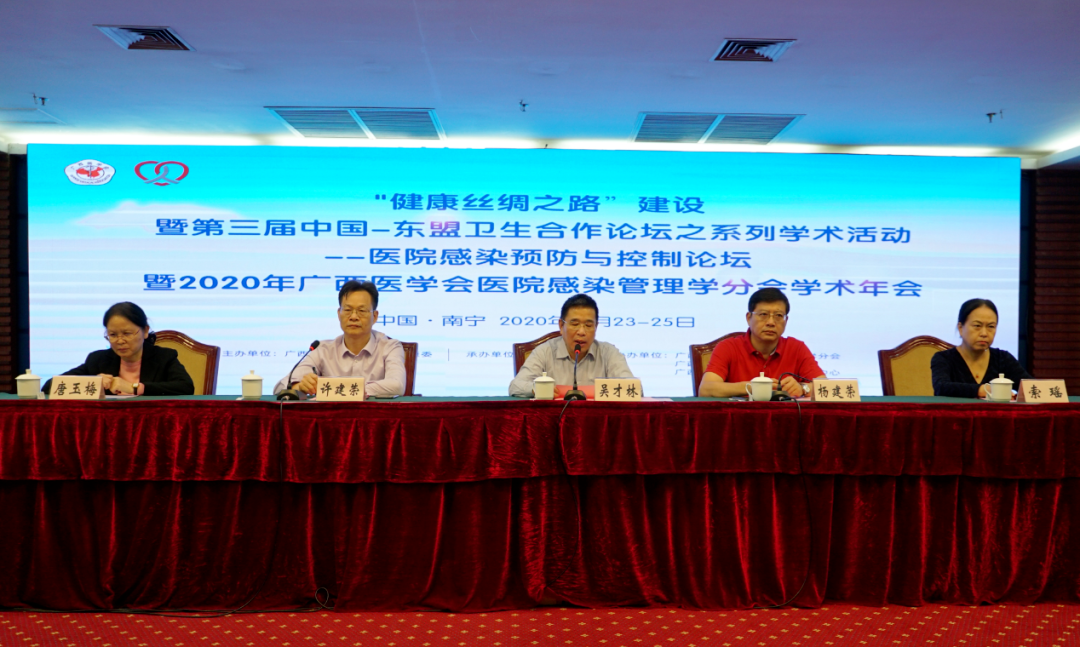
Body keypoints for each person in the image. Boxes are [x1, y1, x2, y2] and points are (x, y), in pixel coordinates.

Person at [274, 280, 406, 397]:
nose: (353, 317)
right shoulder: (322, 350)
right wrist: (300, 387)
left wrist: (334, 389)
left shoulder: (390, 347)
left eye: (361, 310)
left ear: (375, 316)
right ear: (339, 314)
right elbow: (281, 387)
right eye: (347, 310)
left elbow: (397, 385)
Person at [44, 302, 194, 396]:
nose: (120, 341)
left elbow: (186, 387)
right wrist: (92, 383)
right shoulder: (98, 360)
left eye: (127, 333)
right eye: (113, 335)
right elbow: (50, 386)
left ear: (145, 331)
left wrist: (134, 388)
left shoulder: (163, 357)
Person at [698, 287, 825, 398]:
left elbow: (826, 387)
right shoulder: (728, 347)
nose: (771, 322)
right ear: (749, 318)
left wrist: (803, 388)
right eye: (763, 314)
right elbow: (706, 390)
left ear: (786, 321)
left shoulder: (796, 348)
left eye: (778, 316)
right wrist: (751, 387)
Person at [509, 293, 634, 397]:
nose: (582, 332)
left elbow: (634, 389)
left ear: (596, 326)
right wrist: (537, 388)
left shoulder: (608, 353)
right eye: (575, 324)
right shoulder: (545, 351)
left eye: (588, 325)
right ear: (561, 325)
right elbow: (515, 386)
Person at [931, 298, 1031, 398]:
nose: (984, 333)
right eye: (977, 325)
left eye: (991, 326)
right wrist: (984, 390)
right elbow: (941, 387)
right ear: (960, 328)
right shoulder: (943, 358)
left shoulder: (1003, 359)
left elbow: (1031, 387)